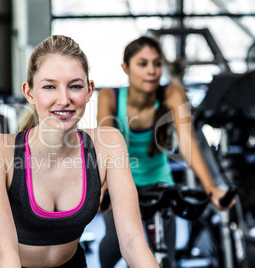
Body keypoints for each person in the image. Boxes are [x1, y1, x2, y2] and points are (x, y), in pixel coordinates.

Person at [0, 34, 158, 268]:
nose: (64, 99)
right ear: (29, 92)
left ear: (90, 90)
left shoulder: (109, 143)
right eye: (49, 86)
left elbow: (133, 243)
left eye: (75, 86)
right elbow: (5, 256)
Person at [97, 36, 235, 267]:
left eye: (157, 63)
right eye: (143, 64)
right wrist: (102, 189)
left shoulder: (171, 94)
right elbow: (105, 147)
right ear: (125, 68)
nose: (152, 70)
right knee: (114, 244)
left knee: (163, 256)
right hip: (120, 183)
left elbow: (188, 142)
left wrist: (211, 188)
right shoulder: (109, 97)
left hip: (159, 182)